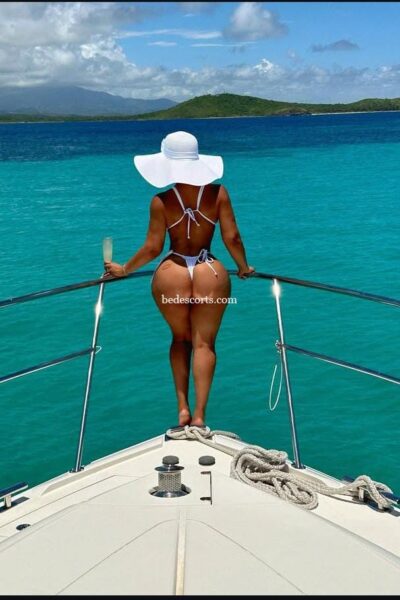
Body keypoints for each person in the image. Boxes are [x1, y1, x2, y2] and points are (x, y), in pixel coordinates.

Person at [104, 131, 254, 428]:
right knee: (204, 344)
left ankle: (182, 408)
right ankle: (199, 416)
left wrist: (125, 269)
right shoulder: (218, 194)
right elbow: (232, 238)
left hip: (172, 272)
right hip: (209, 271)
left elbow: (152, 248)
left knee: (179, 339)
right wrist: (243, 266)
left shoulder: (161, 201)